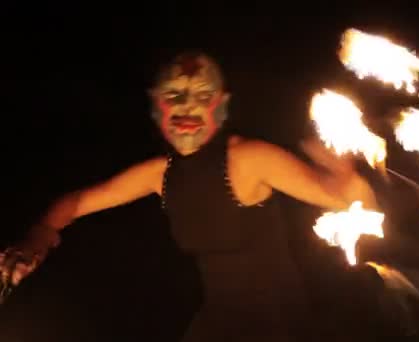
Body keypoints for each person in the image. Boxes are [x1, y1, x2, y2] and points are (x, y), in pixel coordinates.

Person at [0, 51, 380, 341]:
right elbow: (76, 203)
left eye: (202, 95)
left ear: (223, 105)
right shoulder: (160, 174)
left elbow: (352, 204)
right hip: (216, 325)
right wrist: (37, 239)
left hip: (280, 328)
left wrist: (346, 171)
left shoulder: (249, 158)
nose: (187, 107)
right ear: (155, 106)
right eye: (174, 95)